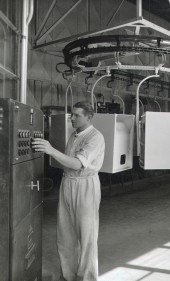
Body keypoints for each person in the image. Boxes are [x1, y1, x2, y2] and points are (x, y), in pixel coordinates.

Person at [32, 102, 105, 281]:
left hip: (85, 185)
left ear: (89, 117)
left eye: (76, 115)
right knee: (65, 234)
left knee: (87, 235)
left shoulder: (95, 137)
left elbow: (78, 164)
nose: (72, 118)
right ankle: (68, 275)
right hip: (68, 183)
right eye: (71, 114)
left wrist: (50, 150)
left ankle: (87, 277)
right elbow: (68, 163)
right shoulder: (74, 134)